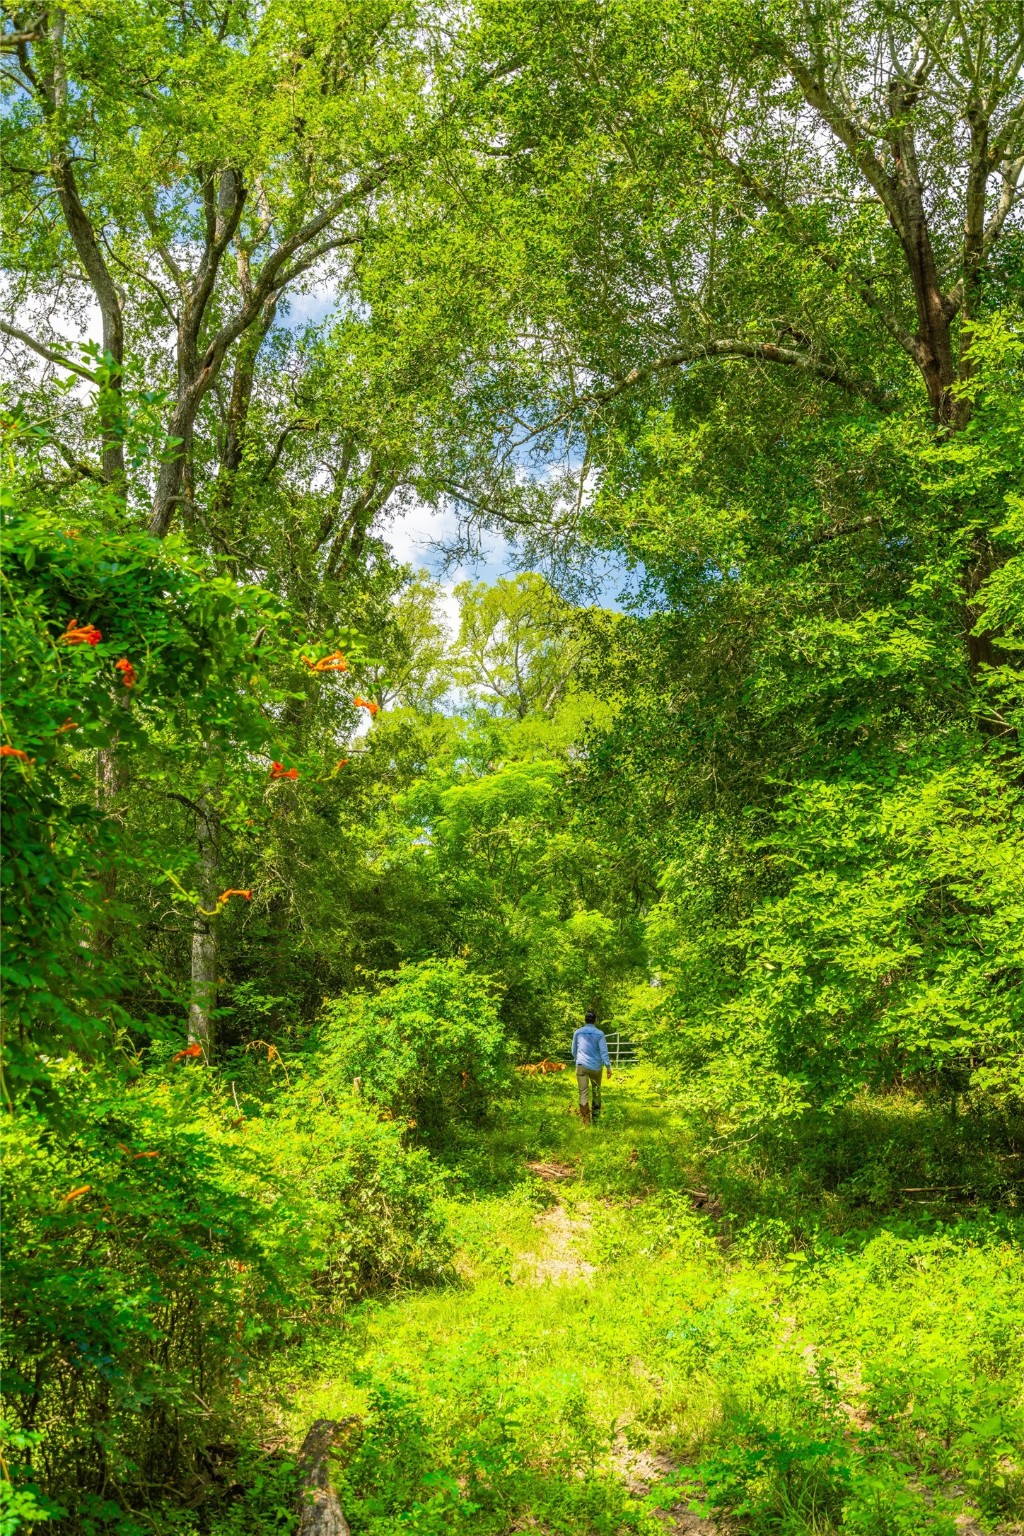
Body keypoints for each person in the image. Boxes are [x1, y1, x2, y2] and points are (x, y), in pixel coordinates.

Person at [571, 1010, 611, 1125]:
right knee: (596, 1091)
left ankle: (586, 1121)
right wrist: (608, 1067)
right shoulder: (600, 1034)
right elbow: (604, 1052)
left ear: (585, 1020)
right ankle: (596, 1120)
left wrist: (577, 1060)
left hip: (582, 1066)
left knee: (583, 1093)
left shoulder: (578, 1032)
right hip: (596, 1067)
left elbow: (573, 1051)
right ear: (595, 1021)